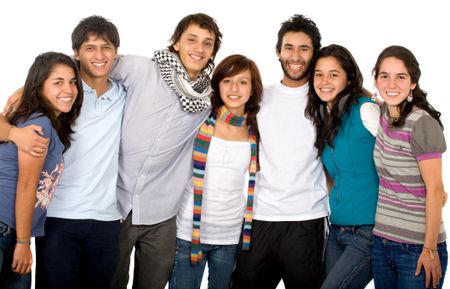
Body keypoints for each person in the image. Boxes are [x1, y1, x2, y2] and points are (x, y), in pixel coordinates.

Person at [0, 15, 126, 289]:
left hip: (106, 218)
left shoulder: (123, 94)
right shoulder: (59, 99)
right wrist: (13, 132)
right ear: (77, 53)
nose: (99, 55)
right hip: (57, 217)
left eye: (106, 47)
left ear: (117, 52)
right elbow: (5, 123)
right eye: (90, 47)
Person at [109, 13, 222, 289]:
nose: (199, 48)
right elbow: (90, 67)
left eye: (207, 44)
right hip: (116, 202)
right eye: (192, 40)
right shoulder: (141, 69)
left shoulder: (210, 98)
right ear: (176, 43)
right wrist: (30, 91)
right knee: (109, 281)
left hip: (162, 211)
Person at [231, 14, 328, 289]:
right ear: (278, 51)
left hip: (306, 219)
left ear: (314, 54)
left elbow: (360, 97)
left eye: (304, 48)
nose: (295, 56)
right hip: (259, 217)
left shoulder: (324, 99)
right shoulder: (260, 96)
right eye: (289, 47)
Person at [168, 54, 262, 289]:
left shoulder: (255, 129)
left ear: (252, 88)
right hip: (190, 232)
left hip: (230, 235)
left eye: (242, 82)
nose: (234, 88)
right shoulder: (199, 120)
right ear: (217, 84)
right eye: (227, 81)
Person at [0, 52, 82, 289]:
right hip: (6, 229)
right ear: (40, 86)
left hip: (12, 230)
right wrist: (24, 243)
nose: (69, 89)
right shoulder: (39, 125)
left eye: (72, 81)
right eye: (58, 82)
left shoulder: (40, 121)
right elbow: (27, 185)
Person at [371, 45, 447, 289]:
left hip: (416, 249)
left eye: (401, 77)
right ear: (376, 79)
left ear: (413, 82)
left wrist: (430, 249)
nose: (392, 84)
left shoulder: (422, 123)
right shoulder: (382, 113)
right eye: (385, 76)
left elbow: (436, 191)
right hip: (381, 244)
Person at [305, 44, 379, 289]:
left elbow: (405, 150)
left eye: (333, 74)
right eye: (318, 73)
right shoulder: (326, 115)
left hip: (368, 231)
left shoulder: (367, 110)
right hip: (337, 229)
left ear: (348, 78)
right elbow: (334, 176)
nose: (324, 81)